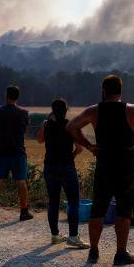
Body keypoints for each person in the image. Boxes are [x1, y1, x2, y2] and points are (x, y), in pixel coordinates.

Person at [66, 74, 134, 266]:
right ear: (120, 91)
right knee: (123, 211)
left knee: (98, 210)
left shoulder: (94, 111)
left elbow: (71, 126)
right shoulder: (131, 110)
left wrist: (89, 145)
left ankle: (93, 252)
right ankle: (120, 253)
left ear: (103, 91)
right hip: (126, 166)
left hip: (104, 166)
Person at [37, 98, 90, 248]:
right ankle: (73, 237)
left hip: (50, 167)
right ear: (66, 110)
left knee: (53, 202)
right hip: (67, 167)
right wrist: (71, 156)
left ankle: (55, 235)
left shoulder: (46, 125)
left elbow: (39, 140)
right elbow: (79, 148)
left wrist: (47, 122)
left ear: (52, 110)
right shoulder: (70, 125)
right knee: (73, 201)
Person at [0, 85, 34, 222]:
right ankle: (23, 210)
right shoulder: (24, 112)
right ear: (18, 97)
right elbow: (25, 131)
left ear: (6, 95)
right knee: (21, 181)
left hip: (1, 150)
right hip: (18, 151)